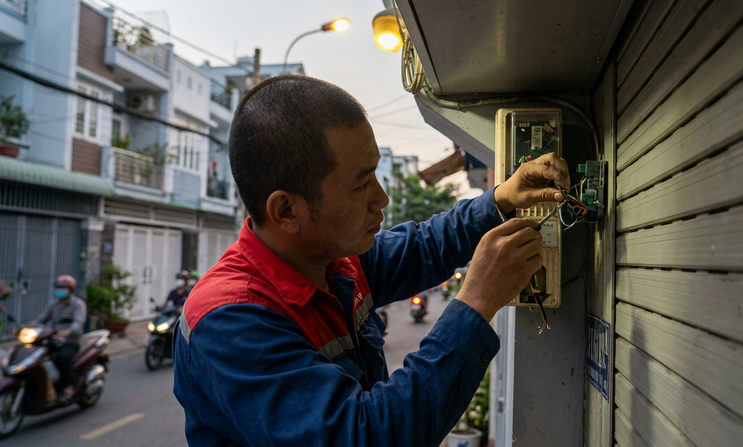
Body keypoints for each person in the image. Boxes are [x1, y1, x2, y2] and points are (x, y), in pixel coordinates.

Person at [172, 76, 570, 447]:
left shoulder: (335, 263)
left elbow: (424, 246)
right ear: (287, 210)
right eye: (361, 183)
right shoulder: (230, 320)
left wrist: (499, 200)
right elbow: (365, 436)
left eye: (375, 175)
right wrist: (476, 302)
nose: (382, 198)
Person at [33, 274, 86, 401]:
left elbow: (78, 324)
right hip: (53, 340)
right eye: (58, 288)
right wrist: (25, 328)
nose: (60, 290)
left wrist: (67, 332)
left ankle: (68, 387)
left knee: (61, 359)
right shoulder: (53, 305)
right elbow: (41, 320)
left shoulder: (78, 305)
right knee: (35, 356)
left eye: (63, 288)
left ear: (71, 290)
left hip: (70, 341)